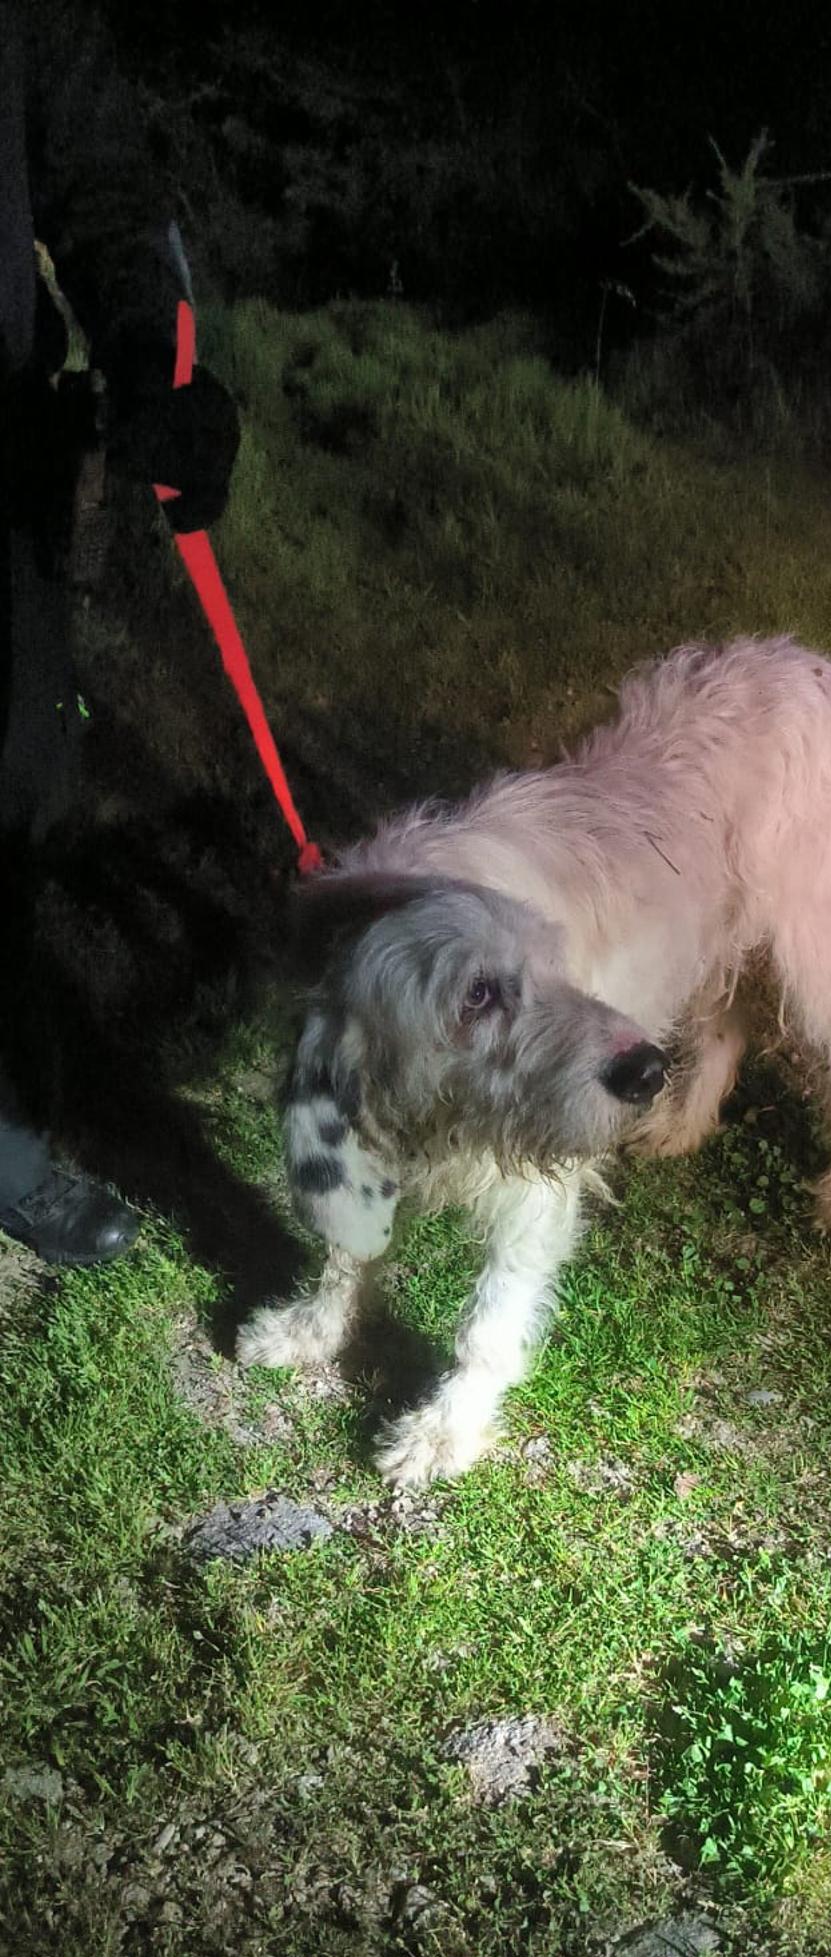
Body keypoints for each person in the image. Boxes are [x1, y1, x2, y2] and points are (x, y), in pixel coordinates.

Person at [1, 0, 239, 1264]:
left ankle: (5, 1135)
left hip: (3, 457)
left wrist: (156, 354)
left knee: (17, 817)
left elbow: (96, 172)